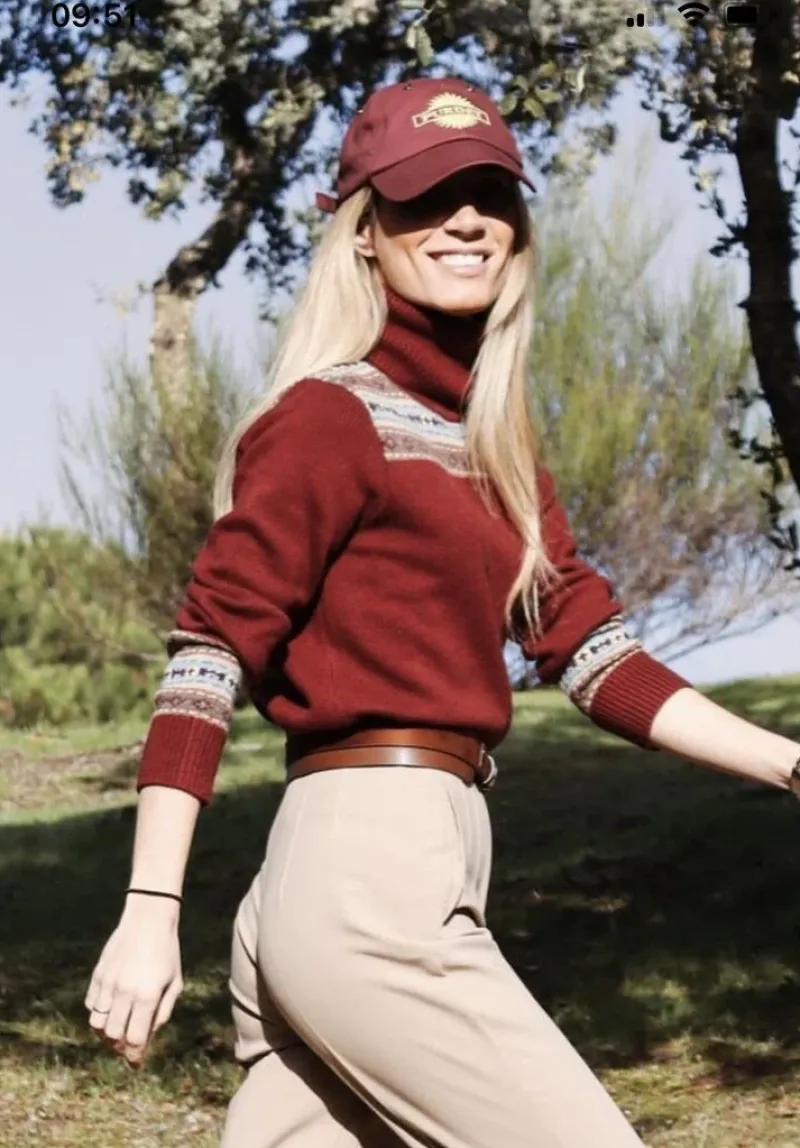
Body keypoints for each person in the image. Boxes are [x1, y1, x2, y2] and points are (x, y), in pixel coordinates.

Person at [85, 76, 800, 1148]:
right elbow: (209, 653)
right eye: (425, 197)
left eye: (489, 195)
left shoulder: (491, 441)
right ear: (364, 234)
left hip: (395, 863)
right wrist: (150, 908)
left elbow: (591, 652)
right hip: (364, 872)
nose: (466, 220)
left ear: (517, 229)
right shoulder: (328, 417)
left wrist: (789, 763)